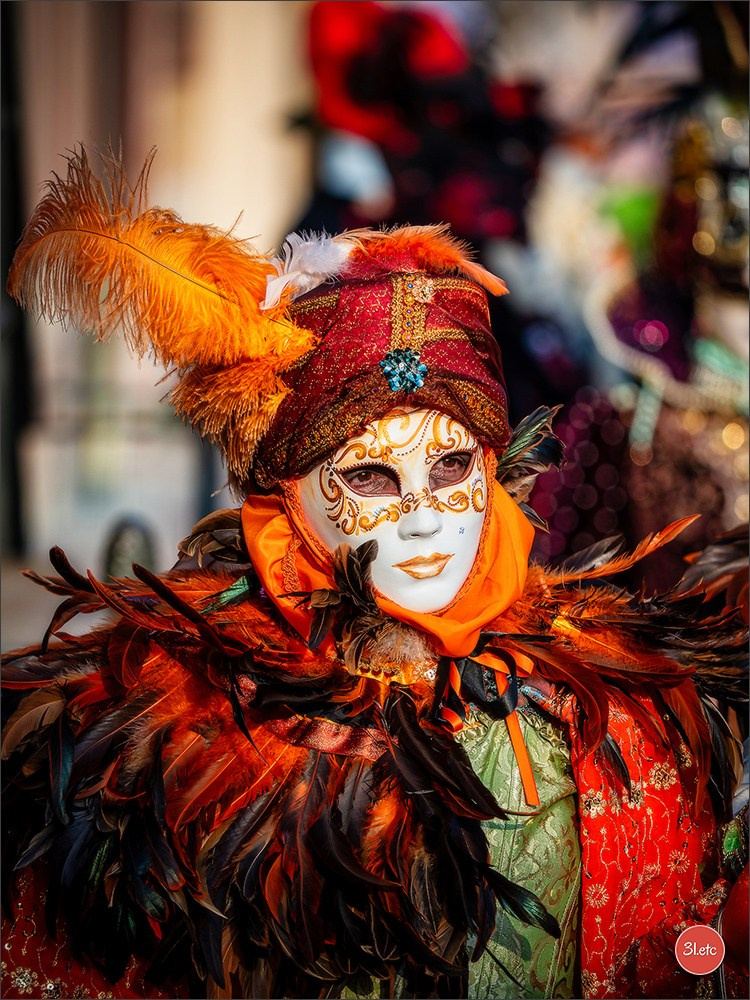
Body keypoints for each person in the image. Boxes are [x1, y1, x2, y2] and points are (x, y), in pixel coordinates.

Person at [1, 149, 747, 1000]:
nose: (424, 517)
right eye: (369, 477)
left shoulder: (615, 706)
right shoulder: (173, 739)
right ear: (285, 493)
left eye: (453, 466)